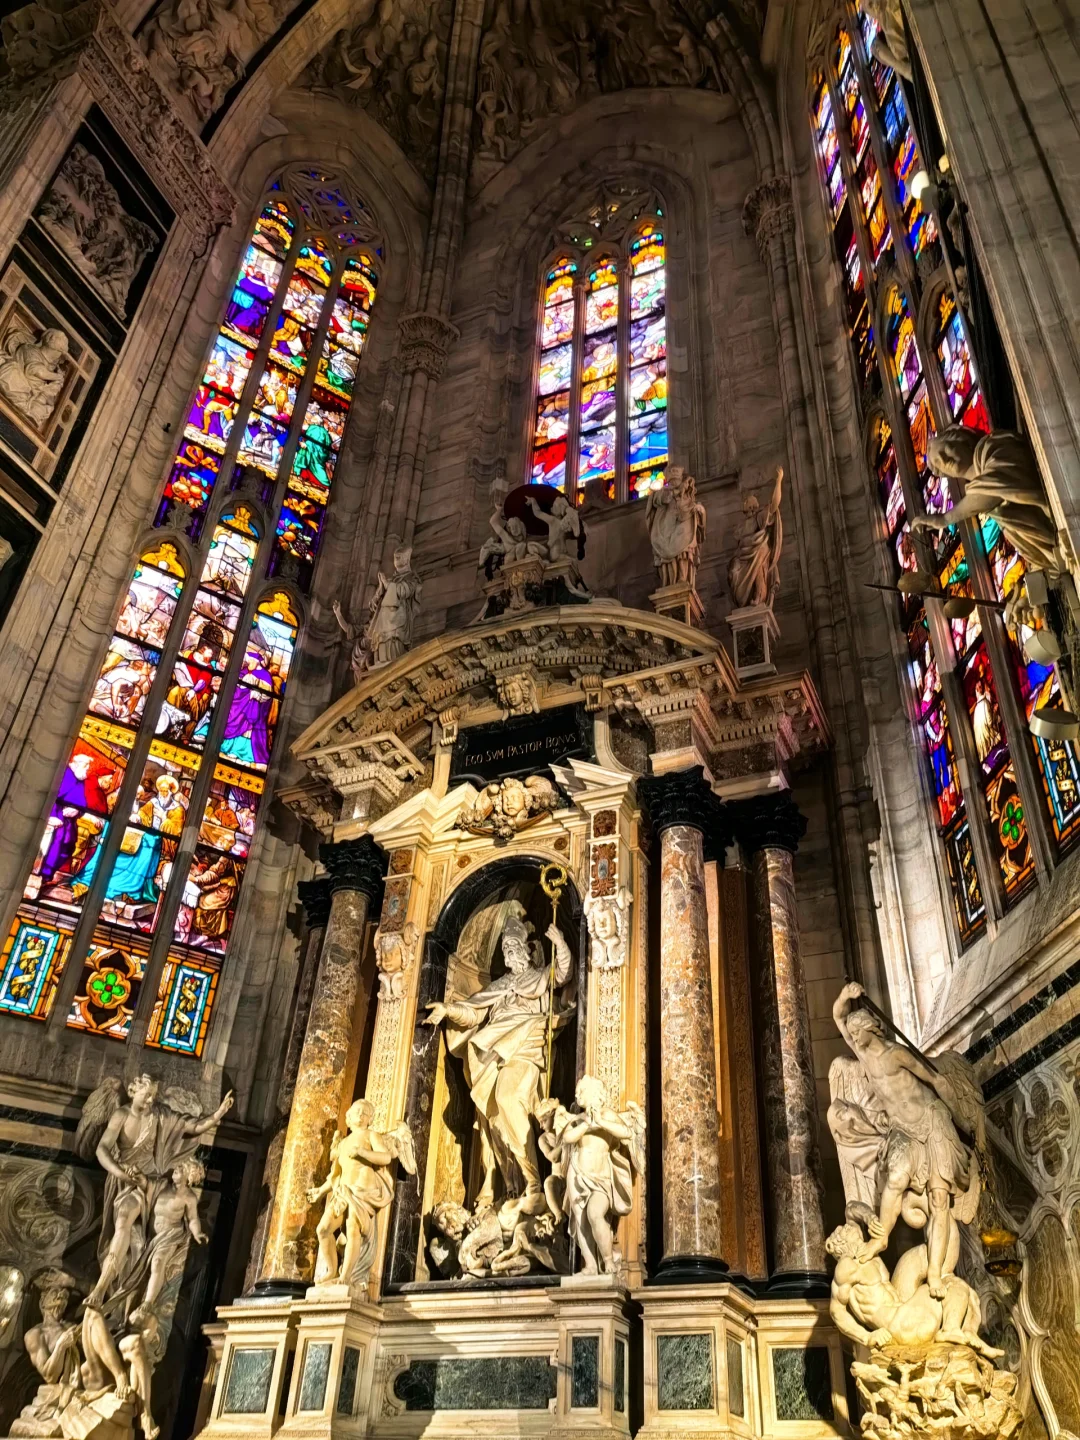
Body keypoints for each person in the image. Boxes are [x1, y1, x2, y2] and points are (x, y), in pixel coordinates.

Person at [425, 903, 573, 1224]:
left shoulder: (538, 976)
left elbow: (563, 974)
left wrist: (560, 943)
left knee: (508, 1097)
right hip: (494, 1053)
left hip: (527, 1047)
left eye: (513, 947)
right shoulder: (499, 986)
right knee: (494, 1120)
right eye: (505, 949)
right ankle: (512, 1187)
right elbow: (473, 1011)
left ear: (525, 950)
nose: (509, 954)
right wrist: (448, 1010)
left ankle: (534, 1183)